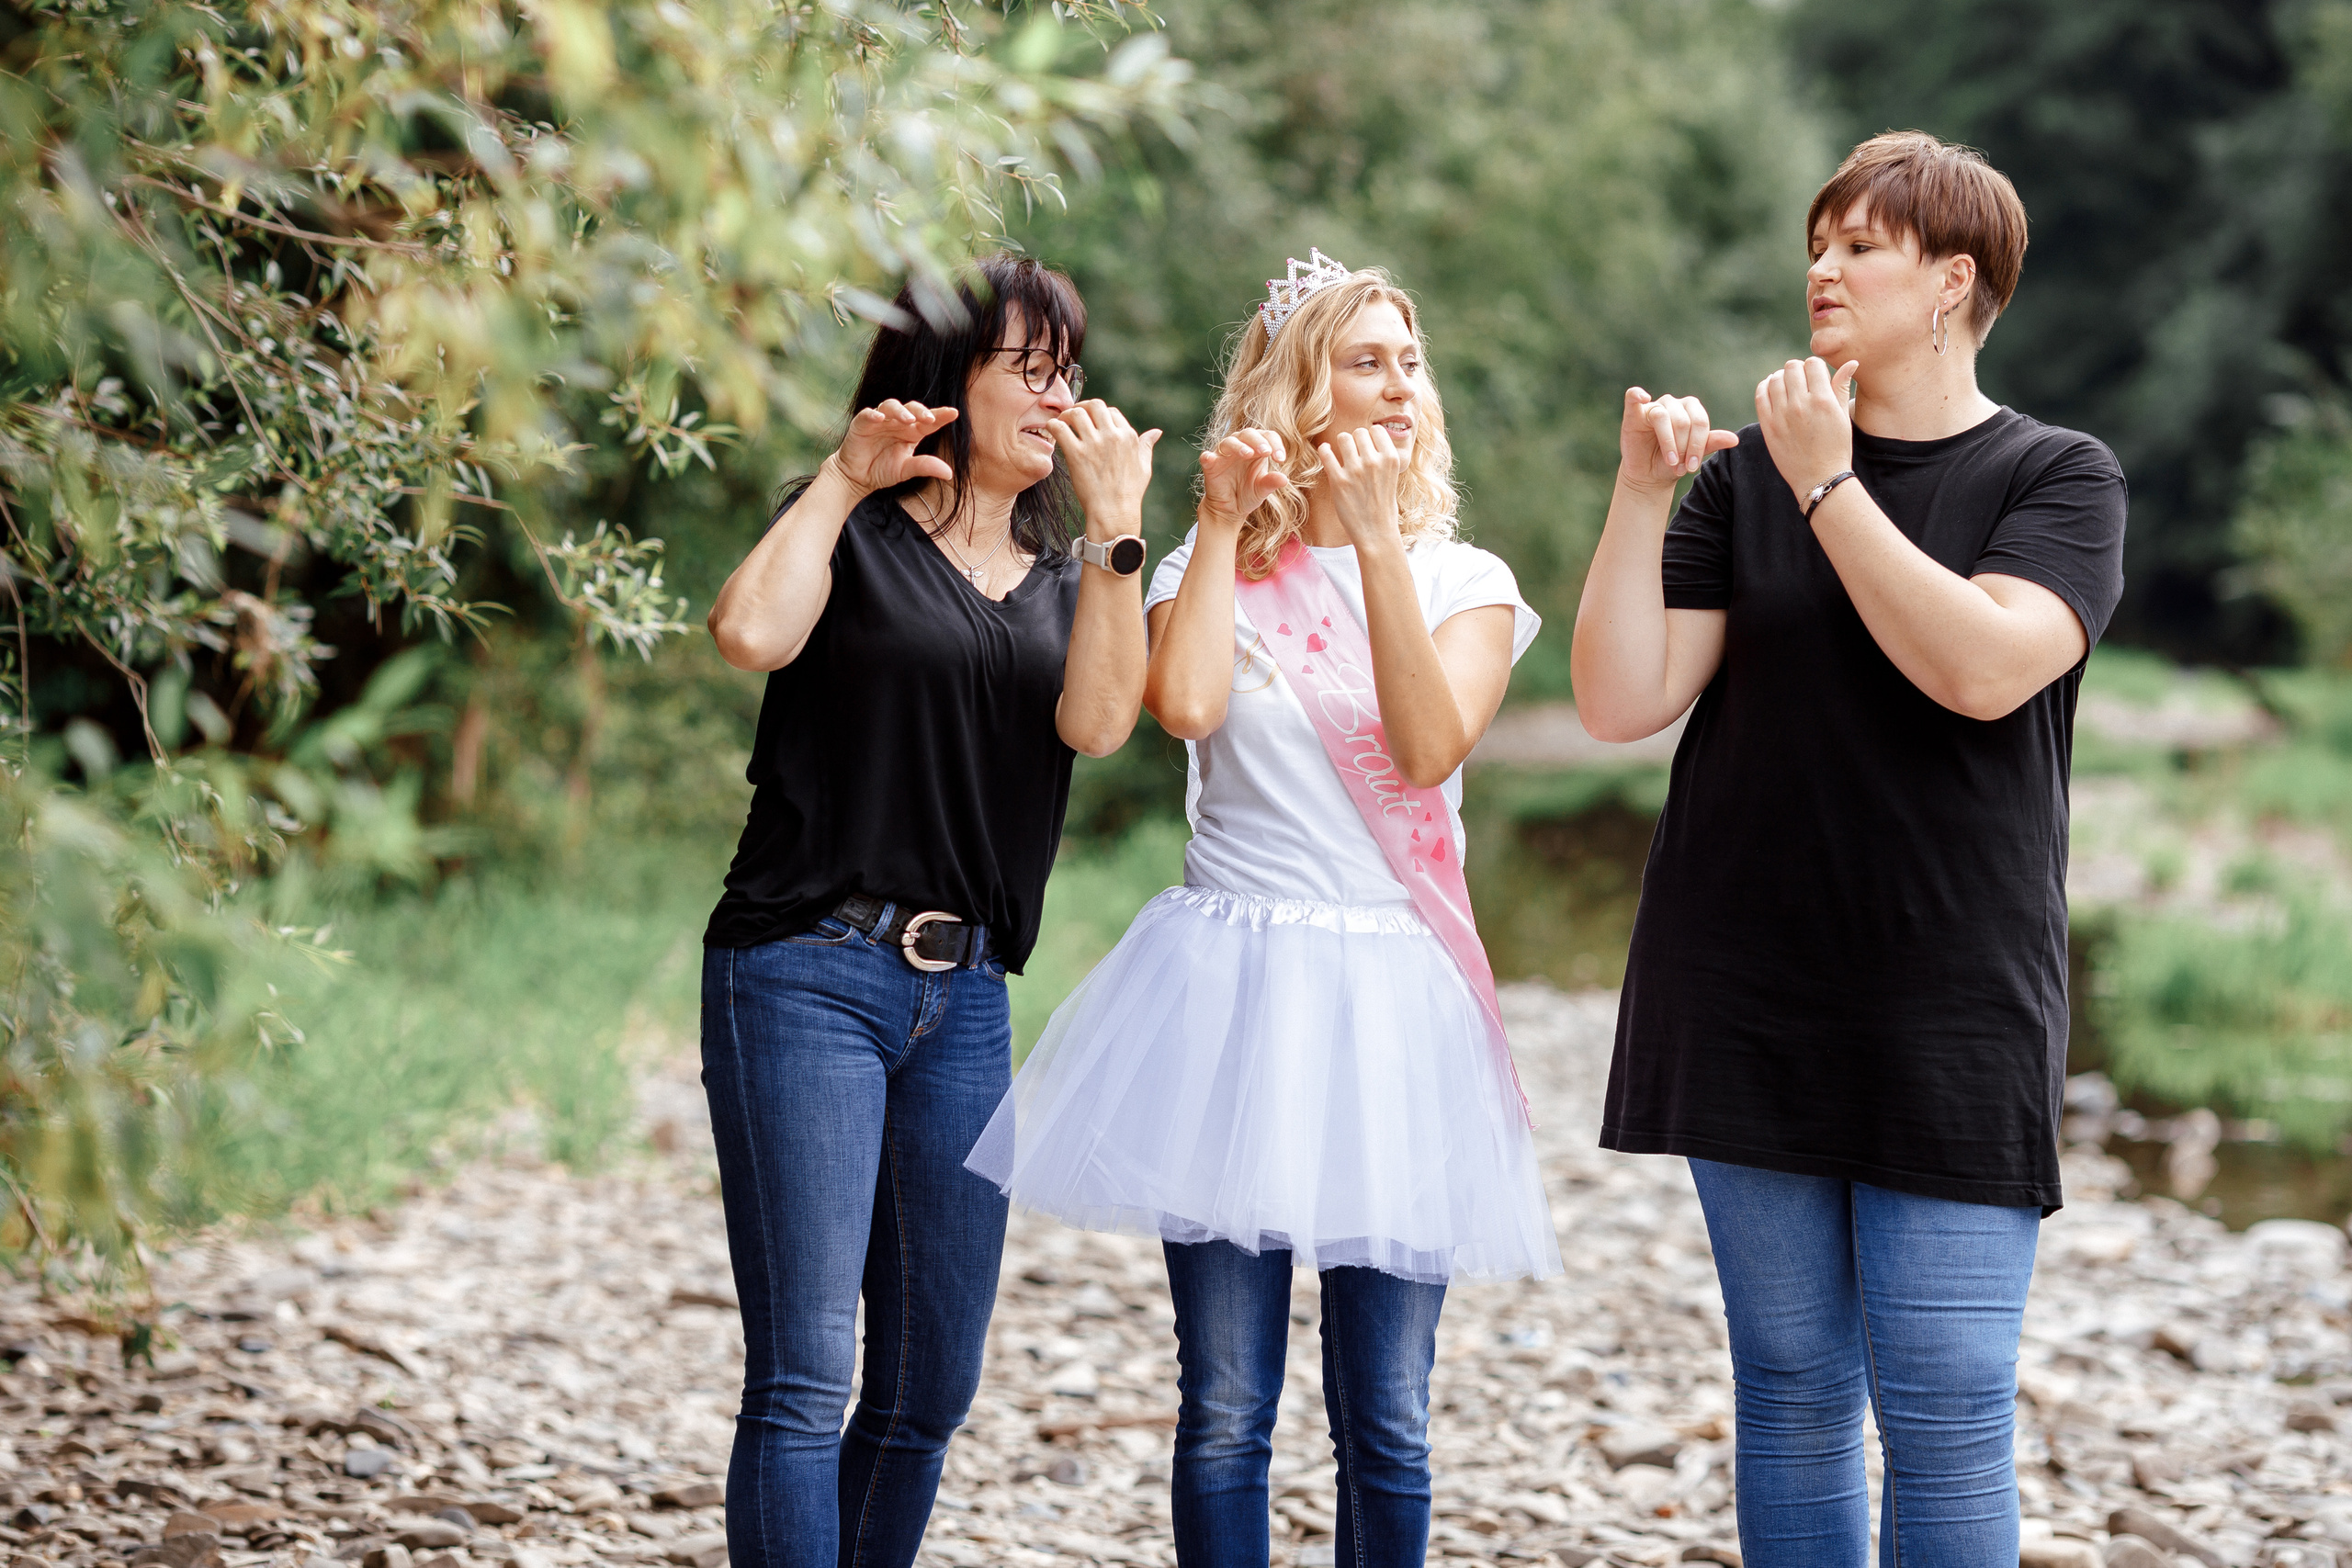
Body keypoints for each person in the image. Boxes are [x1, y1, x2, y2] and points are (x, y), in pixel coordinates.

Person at [1572, 132, 2128, 1565]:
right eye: (1816, 241)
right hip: (1742, 981)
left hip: (1951, 996)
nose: (1821, 267)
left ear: (1951, 281)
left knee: (1945, 1407)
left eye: (1859, 245)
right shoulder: (1743, 477)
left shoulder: (2057, 476)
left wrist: (1831, 488)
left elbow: (1983, 669)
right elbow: (1621, 698)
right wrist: (1641, 497)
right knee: (1792, 1392)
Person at [967, 250, 1560, 1568]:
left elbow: (1423, 749)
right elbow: (1181, 711)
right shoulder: (1203, 558)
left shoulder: (1468, 578)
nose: (1399, 383)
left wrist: (1379, 552)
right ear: (1302, 390)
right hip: (1234, 990)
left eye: (1410, 359)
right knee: (1227, 1405)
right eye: (1366, 360)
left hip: (1397, 995)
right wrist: (1230, 525)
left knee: (1390, 1416)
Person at [699, 253, 1159, 1568]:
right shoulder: (851, 525)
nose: (1056, 394)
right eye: (1027, 366)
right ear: (942, 382)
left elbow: (1101, 721)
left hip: (965, 1003)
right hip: (804, 970)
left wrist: (1119, 528)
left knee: (927, 1388)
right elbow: (749, 635)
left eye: (1067, 371)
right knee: (804, 1378)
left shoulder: (1075, 575)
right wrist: (843, 477)